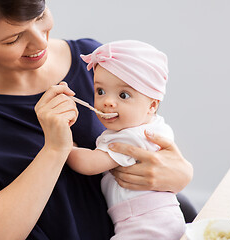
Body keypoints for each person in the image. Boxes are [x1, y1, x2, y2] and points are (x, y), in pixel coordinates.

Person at [0, 0, 194, 239]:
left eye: (40, 15)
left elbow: (147, 133)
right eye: (13, 39)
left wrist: (181, 174)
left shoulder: (93, 59)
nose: (40, 42)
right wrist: (54, 149)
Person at [67, 40, 186, 239]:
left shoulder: (132, 137)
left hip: (144, 220)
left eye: (123, 95)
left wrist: (66, 147)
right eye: (100, 91)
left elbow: (89, 164)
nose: (108, 102)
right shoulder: (154, 126)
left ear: (152, 105)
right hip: (157, 217)